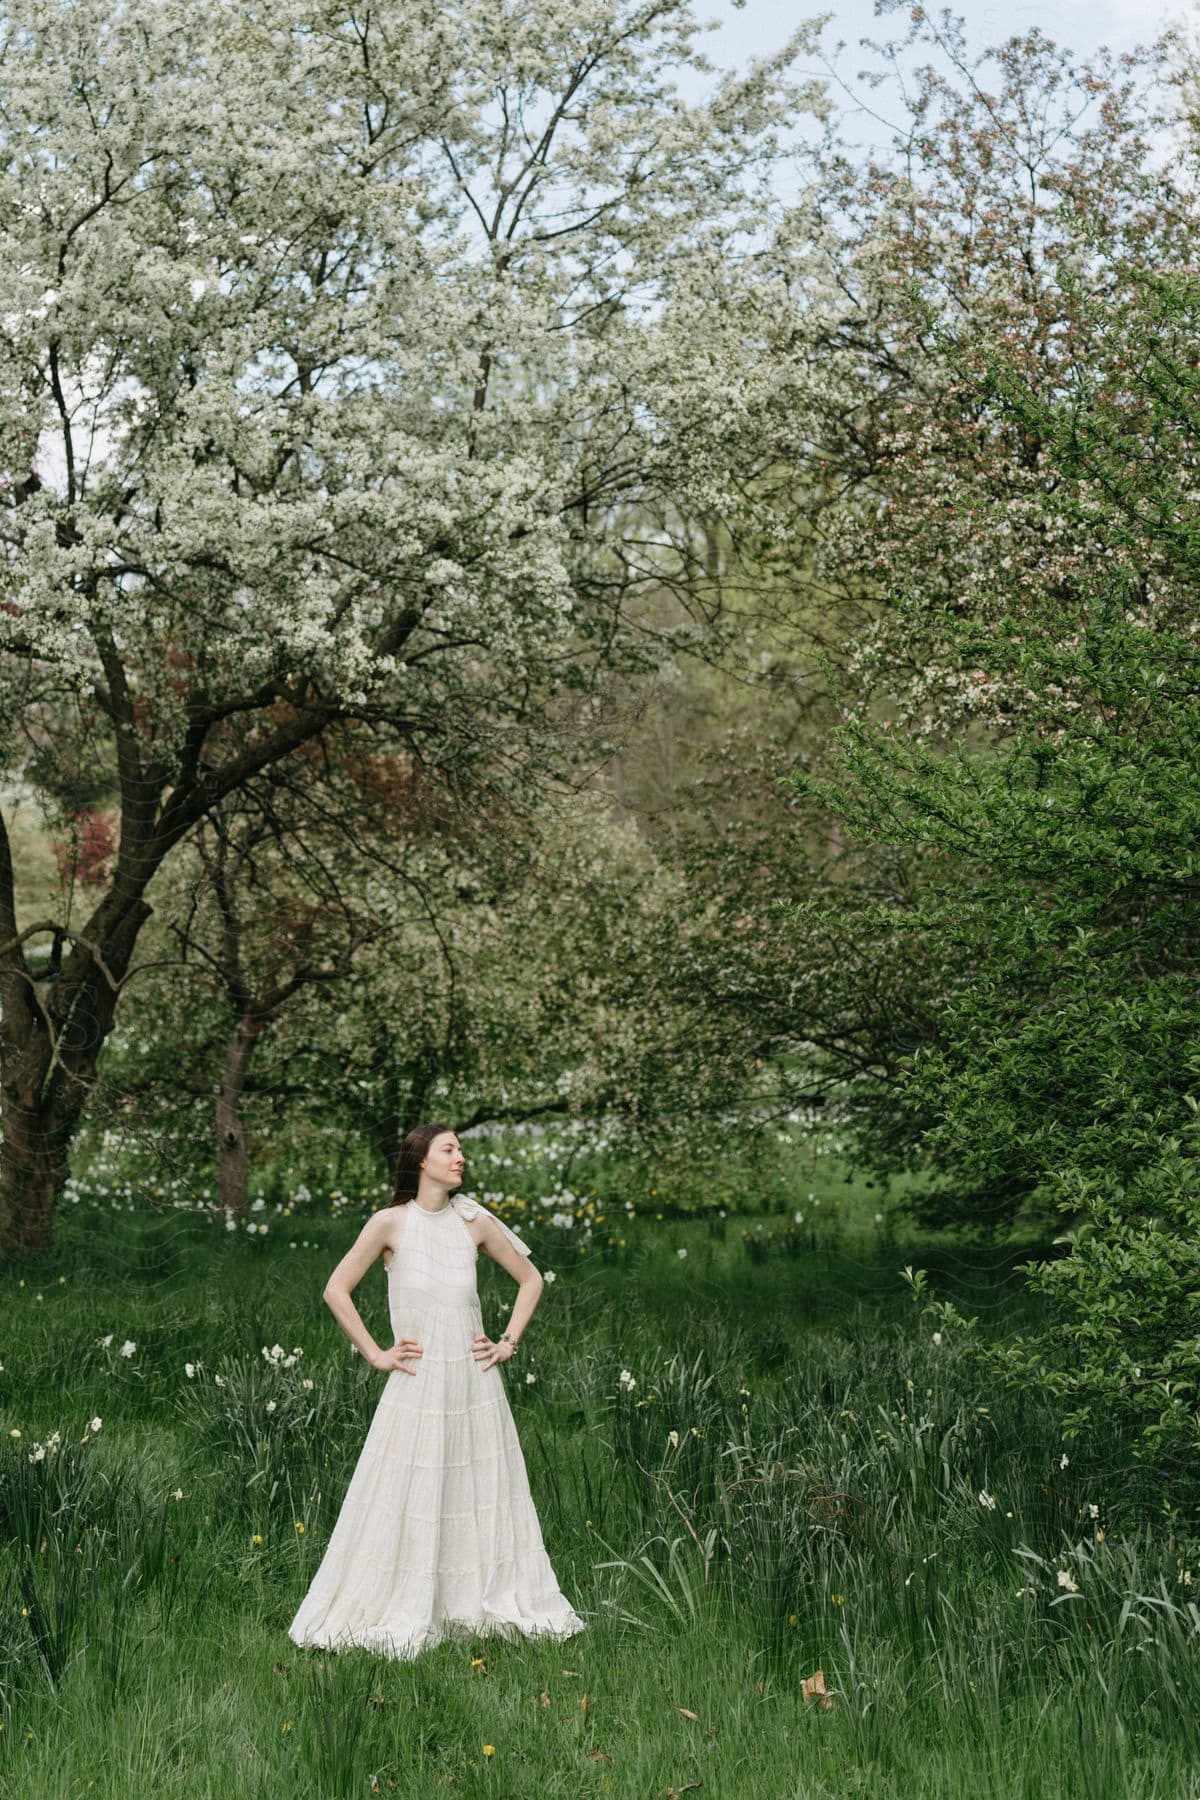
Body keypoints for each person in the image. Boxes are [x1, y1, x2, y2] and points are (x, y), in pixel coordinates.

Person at [287, 1121, 587, 1659]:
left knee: (479, 1489)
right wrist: (377, 1353)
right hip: (419, 1381)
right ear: (421, 1159)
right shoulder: (389, 1223)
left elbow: (532, 1279)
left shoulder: (473, 1221)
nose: (460, 1158)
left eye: (461, 1151)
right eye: (450, 1150)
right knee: (408, 1491)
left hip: (474, 1381)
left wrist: (507, 1343)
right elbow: (336, 1289)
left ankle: (474, 1599)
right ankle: (408, 1600)